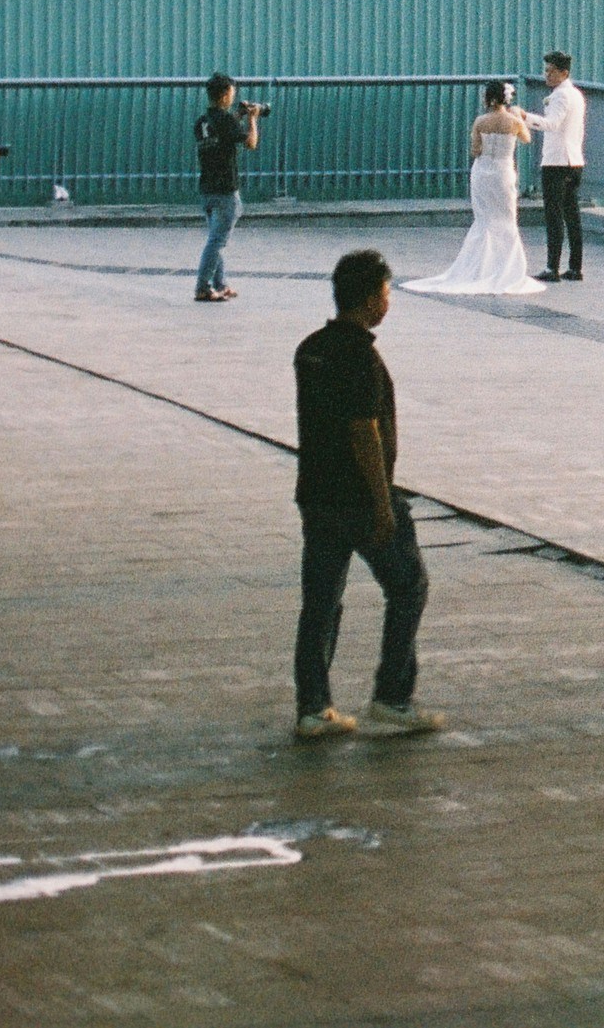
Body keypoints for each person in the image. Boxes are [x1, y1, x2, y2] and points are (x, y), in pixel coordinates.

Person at [292, 249, 444, 740]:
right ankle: (393, 695)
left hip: (317, 495)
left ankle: (313, 706)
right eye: (385, 292)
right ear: (369, 299)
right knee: (408, 587)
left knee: (321, 601)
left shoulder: (310, 349)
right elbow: (366, 435)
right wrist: (383, 504)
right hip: (359, 499)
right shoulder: (362, 358)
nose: (388, 301)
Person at [408, 82, 542, 296]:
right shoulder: (513, 121)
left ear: (489, 99)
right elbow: (526, 139)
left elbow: (475, 150)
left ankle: (479, 266)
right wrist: (516, 116)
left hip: (482, 173)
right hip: (503, 172)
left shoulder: (480, 121)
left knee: (484, 219)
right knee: (506, 219)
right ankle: (507, 269)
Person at [192, 74, 263, 305]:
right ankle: (203, 287)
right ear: (225, 94)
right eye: (232, 92)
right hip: (225, 190)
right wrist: (253, 119)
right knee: (217, 242)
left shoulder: (203, 122)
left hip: (207, 188)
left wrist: (238, 116)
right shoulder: (226, 120)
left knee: (215, 238)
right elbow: (250, 143)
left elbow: (223, 132)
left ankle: (220, 284)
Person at [533, 51, 587, 283]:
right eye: (546, 70)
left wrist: (524, 117)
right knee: (572, 215)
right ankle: (575, 266)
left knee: (554, 215)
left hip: (557, 161)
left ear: (563, 73)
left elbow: (552, 124)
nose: (547, 75)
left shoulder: (560, 96)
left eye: (551, 71)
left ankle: (551, 266)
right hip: (574, 160)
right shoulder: (576, 94)